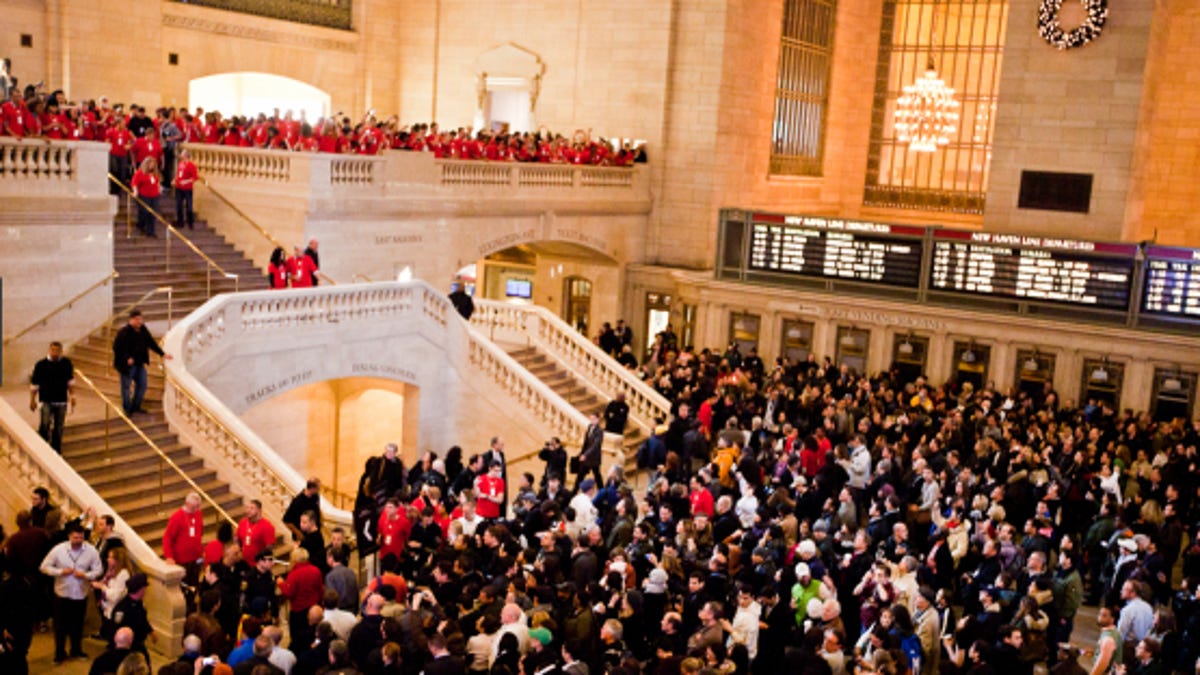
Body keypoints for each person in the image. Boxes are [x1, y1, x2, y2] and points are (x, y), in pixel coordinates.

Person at [40, 521, 104, 663]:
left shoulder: (91, 551)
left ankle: (76, 650)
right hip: (62, 594)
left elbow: (99, 570)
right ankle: (59, 653)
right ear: (69, 537)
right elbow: (44, 567)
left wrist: (85, 575)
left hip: (81, 594)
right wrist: (60, 571)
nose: (78, 541)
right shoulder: (58, 550)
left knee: (78, 625)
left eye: (81, 538)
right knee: (60, 626)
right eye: (75, 538)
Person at [111, 309, 172, 416]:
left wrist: (162, 354)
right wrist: (127, 358)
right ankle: (127, 408)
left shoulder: (143, 330)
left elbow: (151, 342)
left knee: (142, 385)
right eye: (137, 319)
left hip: (139, 364)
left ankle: (136, 406)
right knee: (126, 387)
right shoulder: (123, 332)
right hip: (127, 366)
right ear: (131, 319)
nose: (140, 322)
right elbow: (117, 348)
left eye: (141, 319)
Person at [29, 340, 75, 452]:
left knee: (59, 427)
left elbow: (70, 382)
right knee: (44, 424)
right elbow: (35, 385)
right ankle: (43, 447)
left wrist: (72, 396)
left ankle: (56, 449)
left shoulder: (66, 363)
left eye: (58, 351)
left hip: (61, 400)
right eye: (53, 350)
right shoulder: (41, 365)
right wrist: (32, 400)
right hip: (46, 399)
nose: (55, 353)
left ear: (61, 351)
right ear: (49, 350)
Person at [129, 156, 163, 237]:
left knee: (153, 213)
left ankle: (151, 231)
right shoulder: (140, 173)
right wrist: (135, 191)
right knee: (145, 212)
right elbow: (134, 183)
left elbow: (158, 183)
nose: (152, 166)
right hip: (144, 196)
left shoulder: (155, 174)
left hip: (154, 196)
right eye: (150, 164)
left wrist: (159, 188)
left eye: (153, 164)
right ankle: (141, 225)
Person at [236, 499, 275, 563]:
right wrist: (239, 550)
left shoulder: (267, 526)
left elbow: (269, 547)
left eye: (252, 508)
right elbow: (237, 539)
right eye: (247, 508)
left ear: (259, 510)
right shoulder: (242, 522)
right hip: (243, 562)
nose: (248, 510)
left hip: (258, 564)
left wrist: (260, 559)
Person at [575, 414, 604, 491]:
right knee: (580, 475)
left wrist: (585, 454)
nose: (592, 420)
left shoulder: (600, 431)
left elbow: (596, 445)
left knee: (597, 476)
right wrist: (582, 453)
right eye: (591, 419)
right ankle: (574, 491)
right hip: (587, 458)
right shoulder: (589, 427)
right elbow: (586, 443)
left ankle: (602, 491)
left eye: (594, 419)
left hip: (593, 458)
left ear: (598, 420)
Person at [174, 147, 197, 228]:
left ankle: (190, 222)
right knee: (179, 205)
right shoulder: (181, 163)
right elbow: (178, 174)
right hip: (179, 187)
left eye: (182, 154)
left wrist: (186, 181)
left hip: (187, 188)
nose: (181, 155)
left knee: (189, 206)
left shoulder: (191, 165)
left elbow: (194, 177)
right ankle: (180, 222)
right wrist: (175, 180)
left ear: (186, 155)